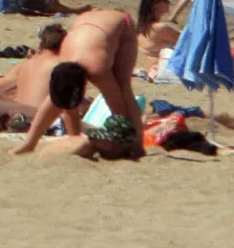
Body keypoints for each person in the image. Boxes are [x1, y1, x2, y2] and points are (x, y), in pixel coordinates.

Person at [10, 18, 143, 160]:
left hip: (122, 23)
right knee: (63, 98)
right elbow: (57, 102)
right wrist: (74, 141)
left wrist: (124, 141)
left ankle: (139, 146)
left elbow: (118, 108)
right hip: (85, 25)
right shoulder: (62, 64)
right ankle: (29, 144)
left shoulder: (98, 69)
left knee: (124, 87)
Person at [135, 0, 181, 74]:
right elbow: (186, 43)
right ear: (156, 5)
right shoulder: (160, 28)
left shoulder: (141, 27)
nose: (169, 2)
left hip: (149, 68)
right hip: (159, 71)